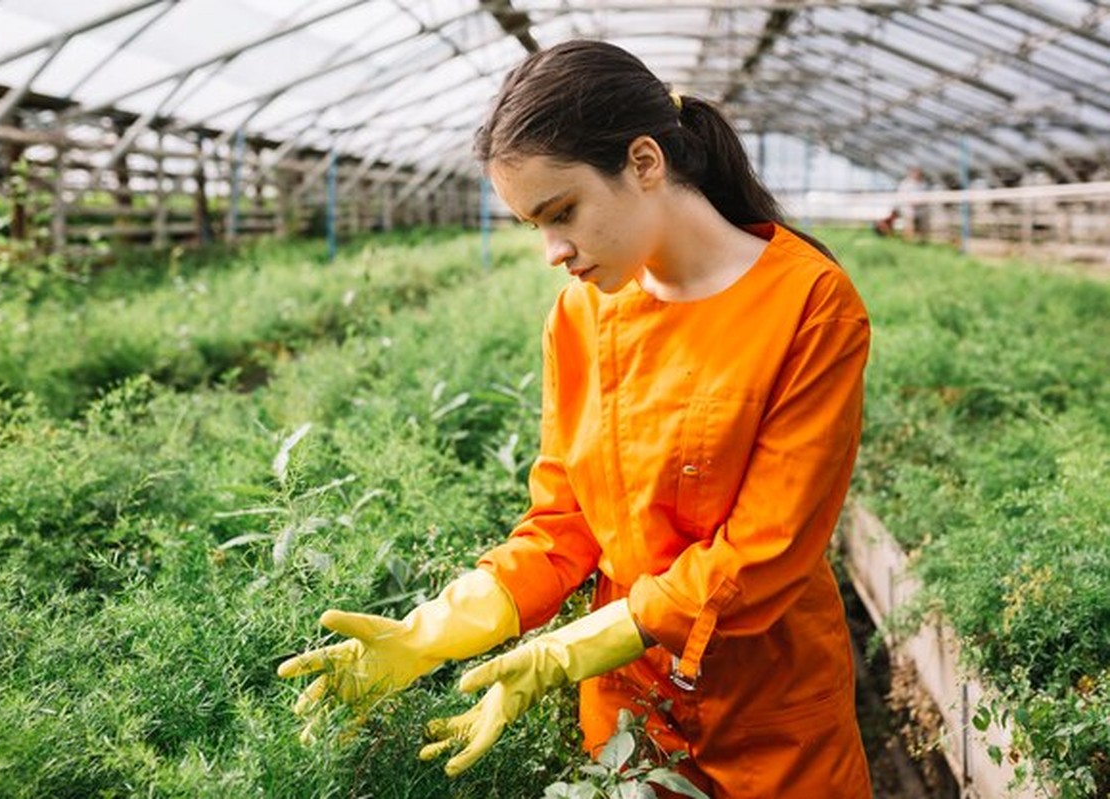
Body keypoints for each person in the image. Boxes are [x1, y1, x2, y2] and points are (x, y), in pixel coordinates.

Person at [278, 39, 873, 798]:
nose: (555, 251)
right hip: (625, 714)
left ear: (646, 162)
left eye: (564, 213)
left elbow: (765, 550)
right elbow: (564, 518)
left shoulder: (810, 306)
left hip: (772, 720)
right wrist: (434, 631)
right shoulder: (580, 313)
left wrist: (568, 649)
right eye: (536, 226)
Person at [896, 166, 929, 242]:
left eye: (919, 173)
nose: (917, 175)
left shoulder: (923, 184)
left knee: (921, 226)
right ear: (911, 173)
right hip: (908, 208)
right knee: (909, 225)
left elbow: (926, 195)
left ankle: (920, 241)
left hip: (920, 209)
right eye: (915, 173)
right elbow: (901, 196)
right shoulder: (905, 184)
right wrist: (911, 202)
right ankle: (908, 240)